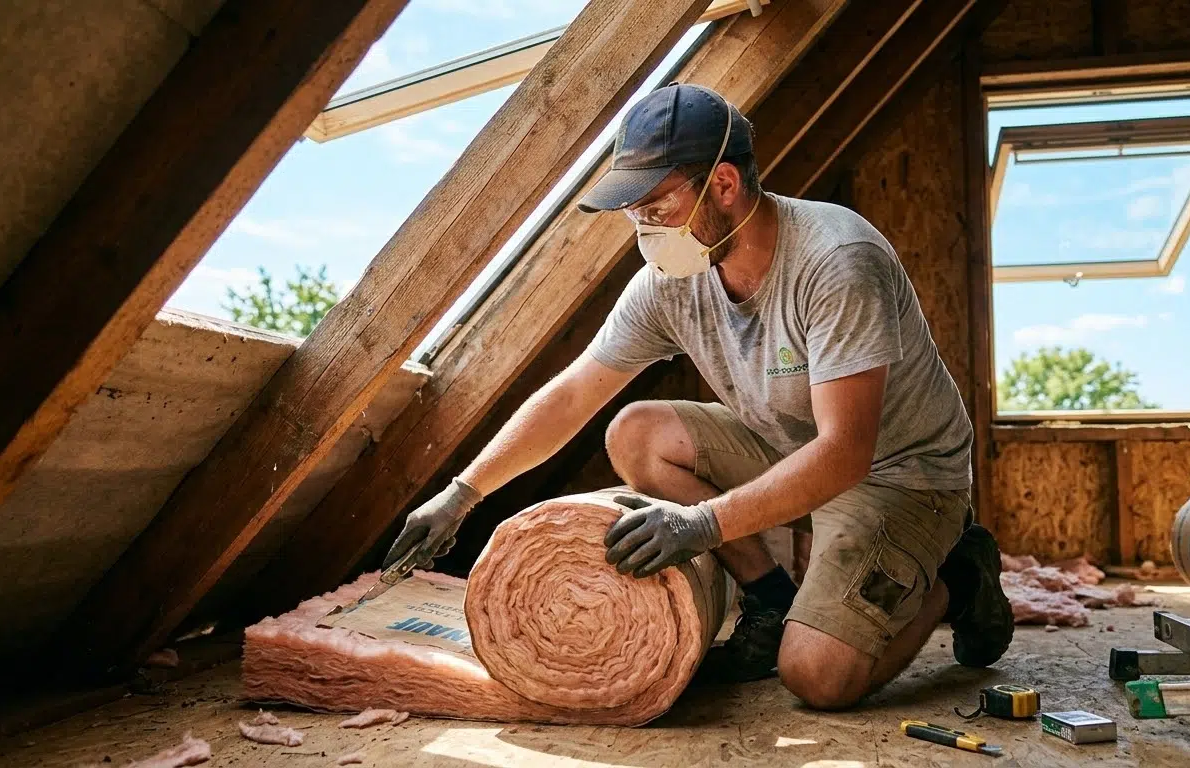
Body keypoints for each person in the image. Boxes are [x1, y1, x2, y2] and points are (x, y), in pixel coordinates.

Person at [383, 83, 1013, 710]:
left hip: (898, 476)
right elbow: (575, 393)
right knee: (636, 432)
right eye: (632, 211)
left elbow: (846, 454)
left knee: (817, 677)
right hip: (792, 443)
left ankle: (958, 576)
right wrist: (463, 492)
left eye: (655, 206)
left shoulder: (836, 261)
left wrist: (700, 523)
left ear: (724, 185)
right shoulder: (671, 281)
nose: (643, 228)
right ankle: (771, 602)